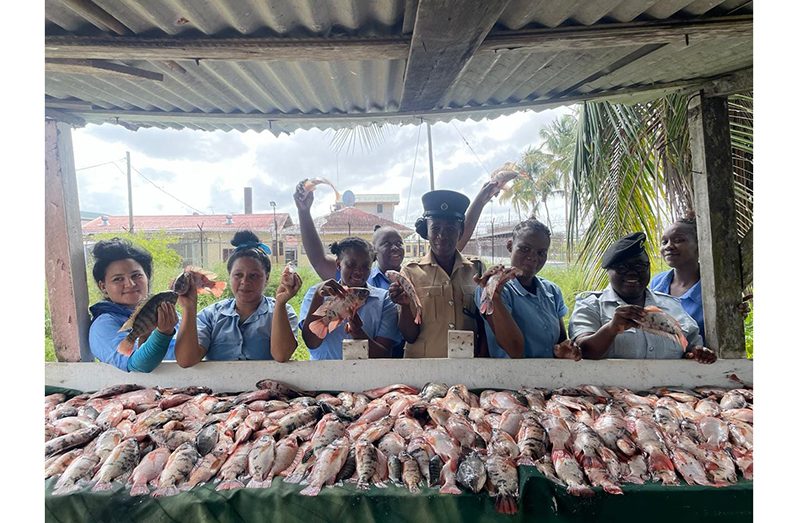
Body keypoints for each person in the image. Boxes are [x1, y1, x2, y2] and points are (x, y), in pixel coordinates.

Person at [292, 178, 499, 357]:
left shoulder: (388, 293)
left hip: (452, 363)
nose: (395, 247)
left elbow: (451, 249)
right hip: (410, 365)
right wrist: (303, 211)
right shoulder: (401, 278)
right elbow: (318, 261)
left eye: (399, 242)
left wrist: (480, 201)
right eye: (386, 244)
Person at [568, 232, 716, 363]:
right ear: (609, 271)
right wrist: (612, 328)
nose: (632, 273)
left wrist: (697, 352)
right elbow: (582, 351)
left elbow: (691, 345)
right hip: (611, 392)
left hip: (668, 391)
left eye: (639, 267)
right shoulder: (590, 305)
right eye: (622, 268)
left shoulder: (671, 305)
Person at [174, 231, 302, 365]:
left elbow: (281, 355)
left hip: (268, 385)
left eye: (253, 276)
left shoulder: (283, 312)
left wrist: (280, 303)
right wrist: (189, 308)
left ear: (267, 278)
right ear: (229, 276)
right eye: (238, 275)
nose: (245, 282)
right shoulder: (211, 316)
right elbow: (186, 360)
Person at [389, 190, 485, 358]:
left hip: (467, 367)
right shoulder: (410, 273)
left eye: (450, 228)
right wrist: (404, 305)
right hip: (423, 370)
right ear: (426, 231)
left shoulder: (477, 270)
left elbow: (484, 327)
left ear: (461, 231)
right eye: (436, 228)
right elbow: (409, 336)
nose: (442, 235)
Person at [474, 218, 581, 360]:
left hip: (551, 378)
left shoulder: (552, 291)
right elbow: (515, 350)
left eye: (541, 252)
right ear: (510, 246)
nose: (533, 257)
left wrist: (564, 351)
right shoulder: (492, 289)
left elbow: (560, 342)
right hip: (509, 378)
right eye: (525, 249)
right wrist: (495, 297)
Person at [299, 237, 402, 360]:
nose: (358, 271)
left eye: (365, 266)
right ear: (338, 264)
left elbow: (384, 355)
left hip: (367, 376)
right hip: (324, 374)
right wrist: (318, 296)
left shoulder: (384, 300)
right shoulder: (316, 294)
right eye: (351, 265)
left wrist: (358, 332)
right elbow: (311, 343)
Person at [88, 238, 178, 372]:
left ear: (147, 278)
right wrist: (163, 333)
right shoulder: (103, 325)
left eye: (136, 275)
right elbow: (138, 365)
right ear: (103, 287)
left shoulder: (167, 313)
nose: (130, 284)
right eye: (118, 279)